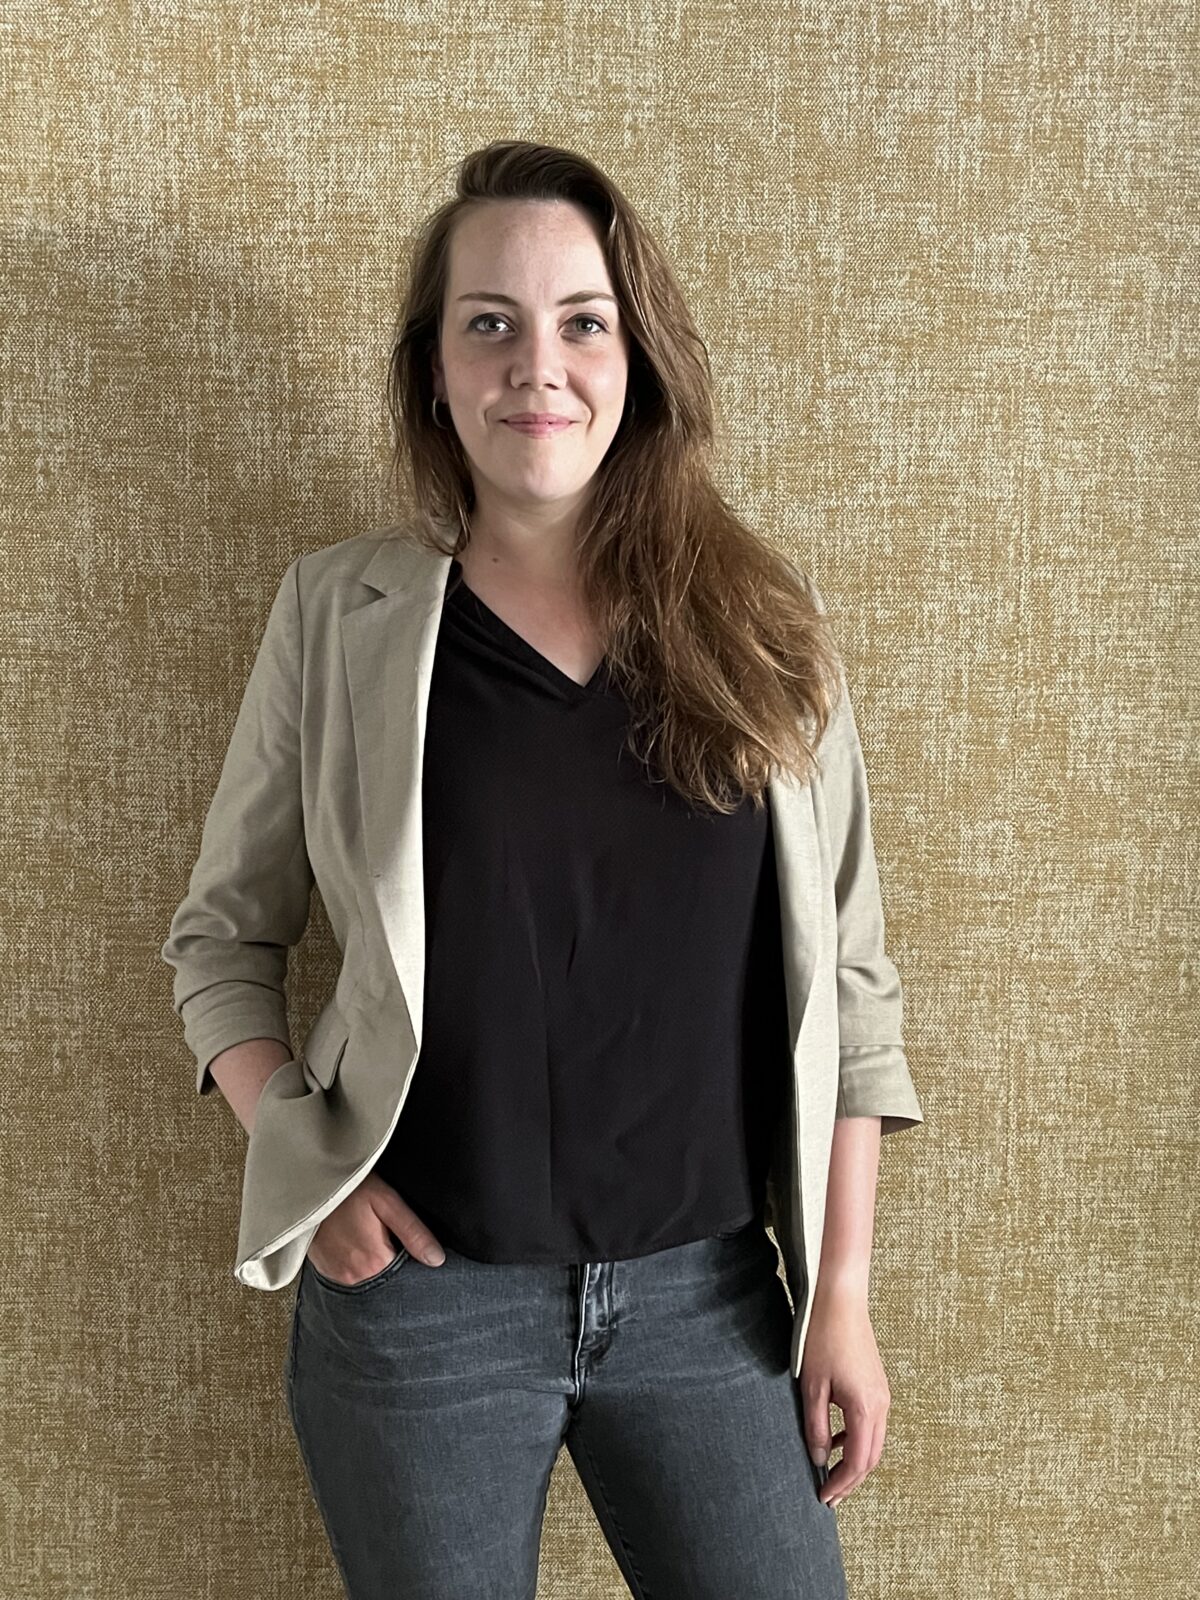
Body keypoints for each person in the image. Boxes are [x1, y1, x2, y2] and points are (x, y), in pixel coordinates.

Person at [162, 139, 925, 1600]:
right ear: (434, 370)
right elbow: (221, 942)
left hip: (715, 1301)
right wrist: (307, 1167)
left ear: (640, 356)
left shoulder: (767, 630)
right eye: (489, 324)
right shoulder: (337, 616)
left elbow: (850, 986)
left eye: (582, 320)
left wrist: (841, 1297)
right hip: (422, 1312)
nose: (539, 367)